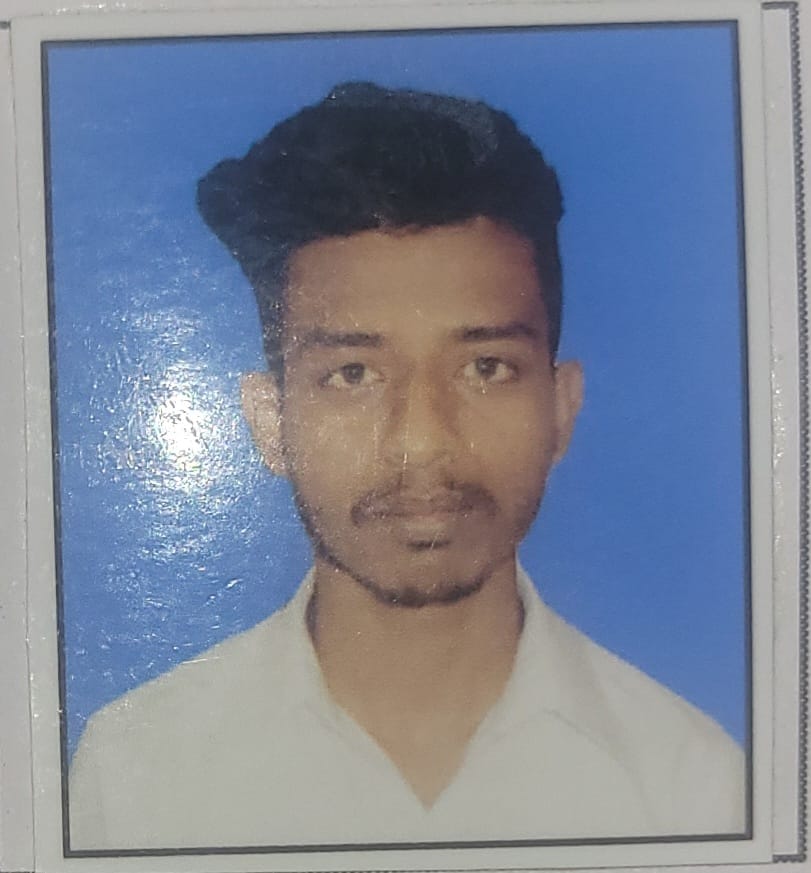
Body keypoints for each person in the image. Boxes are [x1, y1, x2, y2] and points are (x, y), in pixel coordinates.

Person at [68, 82, 745, 851]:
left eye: (485, 368)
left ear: (561, 407)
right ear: (269, 422)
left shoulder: (689, 783)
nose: (421, 442)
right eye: (352, 374)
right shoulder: (136, 774)